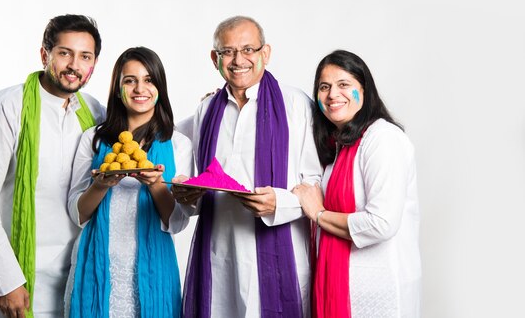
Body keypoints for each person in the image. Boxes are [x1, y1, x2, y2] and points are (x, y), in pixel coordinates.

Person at [173, 16, 321, 317]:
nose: (238, 60)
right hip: (218, 254)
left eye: (248, 49)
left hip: (281, 253)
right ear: (215, 58)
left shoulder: (296, 105)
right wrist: (188, 195)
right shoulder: (205, 110)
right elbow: (201, 181)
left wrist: (278, 203)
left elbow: (316, 181)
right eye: (227, 51)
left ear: (265, 53)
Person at [0, 14, 105, 318]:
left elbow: (141, 136)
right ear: (45, 54)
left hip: (73, 278)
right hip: (15, 280)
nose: (74, 65)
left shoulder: (95, 111)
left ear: (93, 63)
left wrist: (204, 109)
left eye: (85, 56)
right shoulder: (6, 106)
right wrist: (7, 281)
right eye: (64, 53)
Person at [65, 46, 193, 318]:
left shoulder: (178, 144)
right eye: (130, 80)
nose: (139, 88)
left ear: (160, 86)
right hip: (98, 267)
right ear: (117, 88)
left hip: (154, 269)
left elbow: (178, 222)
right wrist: (101, 185)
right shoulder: (95, 139)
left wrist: (156, 184)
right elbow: (78, 213)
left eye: (149, 80)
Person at [292, 49, 421, 317]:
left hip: (379, 293)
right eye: (324, 87)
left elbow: (381, 223)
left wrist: (318, 214)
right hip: (341, 290)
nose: (332, 95)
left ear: (364, 90)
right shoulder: (335, 148)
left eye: (344, 85)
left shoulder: (382, 139)